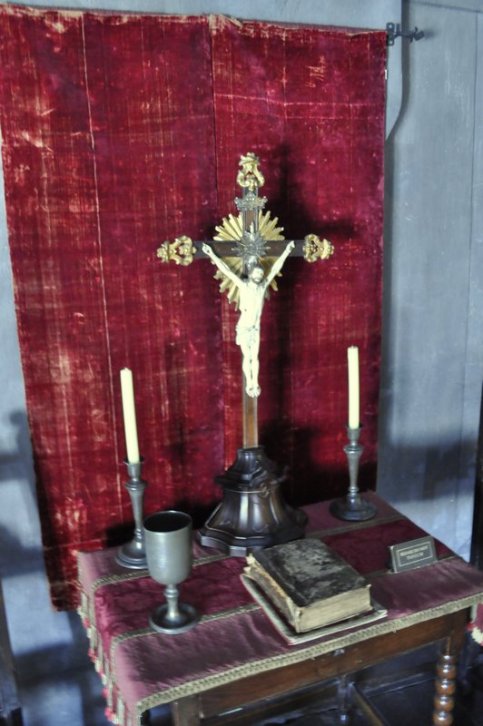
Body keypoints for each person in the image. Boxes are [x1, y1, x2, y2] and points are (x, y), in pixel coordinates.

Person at [202, 240, 295, 397]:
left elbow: (275, 268)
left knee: (254, 357)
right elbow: (226, 271)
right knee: (247, 356)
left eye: (260, 274)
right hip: (245, 327)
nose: (259, 275)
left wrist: (287, 251)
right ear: (251, 274)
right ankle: (249, 382)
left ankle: (255, 383)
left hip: (255, 327)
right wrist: (211, 254)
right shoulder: (243, 286)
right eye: (256, 273)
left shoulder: (262, 287)